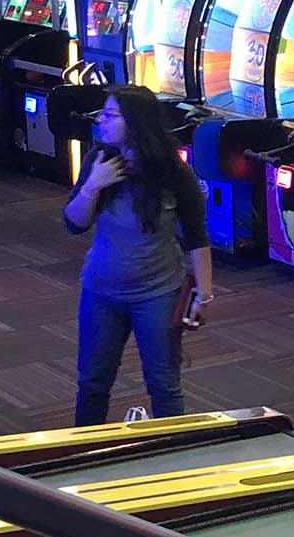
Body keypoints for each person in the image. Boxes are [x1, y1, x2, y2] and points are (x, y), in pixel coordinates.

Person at [64, 85, 212, 425]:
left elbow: (196, 236)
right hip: (101, 290)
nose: (100, 121)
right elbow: (74, 223)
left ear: (135, 122)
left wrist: (204, 294)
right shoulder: (99, 160)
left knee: (163, 385)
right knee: (92, 382)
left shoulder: (173, 172)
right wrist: (93, 185)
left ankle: (172, 450)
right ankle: (85, 449)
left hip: (157, 293)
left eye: (110, 115)